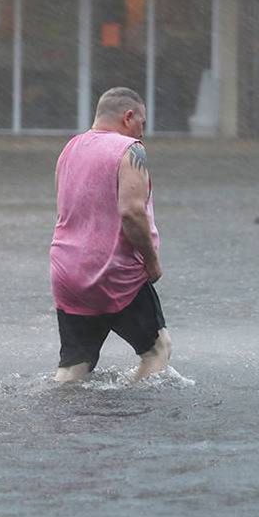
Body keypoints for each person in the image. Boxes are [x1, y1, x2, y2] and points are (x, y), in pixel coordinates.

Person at [49, 87, 172, 383]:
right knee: (157, 350)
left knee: (74, 367)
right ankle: (134, 404)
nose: (142, 133)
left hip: (67, 272)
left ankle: (62, 407)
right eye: (142, 123)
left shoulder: (70, 148)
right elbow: (132, 213)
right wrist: (152, 262)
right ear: (128, 117)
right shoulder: (130, 149)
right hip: (115, 272)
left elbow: (69, 208)